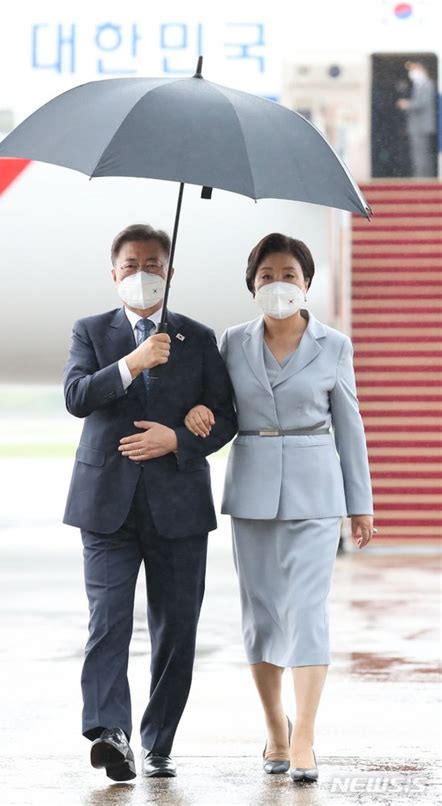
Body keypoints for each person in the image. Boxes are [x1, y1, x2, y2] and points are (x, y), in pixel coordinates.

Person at [184, 233, 375, 784]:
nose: (277, 284)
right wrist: (198, 409)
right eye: (266, 276)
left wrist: (359, 504)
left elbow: (350, 424)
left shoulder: (333, 345)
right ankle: (275, 728)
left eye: (288, 274)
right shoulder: (231, 342)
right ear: (252, 286)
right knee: (261, 615)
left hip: (317, 490)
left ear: (307, 283)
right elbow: (218, 406)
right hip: (252, 488)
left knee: (308, 611)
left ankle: (306, 739)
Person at [63, 224, 237, 782]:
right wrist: (132, 363)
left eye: (154, 263)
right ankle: (109, 733)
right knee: (108, 621)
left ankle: (158, 740)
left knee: (177, 626)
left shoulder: (197, 337)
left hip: (178, 504)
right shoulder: (90, 331)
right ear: (113, 273)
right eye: (131, 263)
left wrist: (181, 438)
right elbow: (76, 396)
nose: (143, 273)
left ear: (170, 271)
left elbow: (226, 415)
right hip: (105, 504)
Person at [396, 61, 437, 177]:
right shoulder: (418, 85)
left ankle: (422, 176)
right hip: (417, 125)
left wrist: (407, 104)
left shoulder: (427, 85)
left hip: (422, 126)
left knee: (421, 153)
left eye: (415, 69)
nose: (412, 73)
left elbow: (422, 103)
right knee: (419, 153)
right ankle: (422, 175)